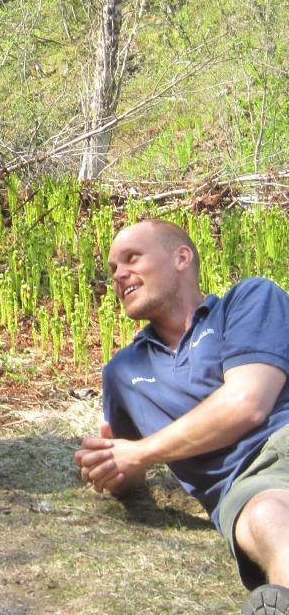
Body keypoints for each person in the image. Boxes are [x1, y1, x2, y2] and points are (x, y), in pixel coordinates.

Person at [74, 219, 289, 615]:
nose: (119, 275)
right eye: (112, 270)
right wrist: (110, 465)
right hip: (246, 487)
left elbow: (248, 402)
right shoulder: (121, 372)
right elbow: (130, 469)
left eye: (132, 258)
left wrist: (140, 453)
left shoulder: (249, 300)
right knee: (268, 520)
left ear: (181, 258)